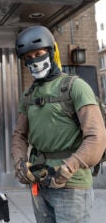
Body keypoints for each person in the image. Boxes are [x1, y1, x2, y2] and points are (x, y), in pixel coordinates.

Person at [11, 25, 106, 223]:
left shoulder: (75, 87)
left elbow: (96, 136)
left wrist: (69, 167)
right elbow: (19, 135)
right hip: (39, 181)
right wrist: (20, 163)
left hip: (71, 186)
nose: (34, 61)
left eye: (39, 54)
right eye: (28, 58)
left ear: (51, 52)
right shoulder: (28, 95)